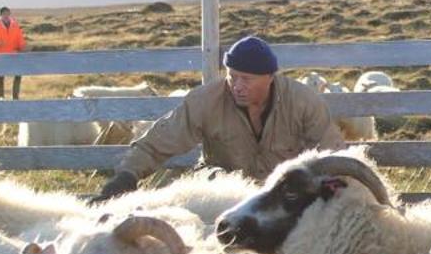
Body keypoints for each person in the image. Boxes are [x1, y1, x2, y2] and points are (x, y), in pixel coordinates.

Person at [89, 35, 343, 202]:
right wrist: (127, 175)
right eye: (232, 77)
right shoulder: (205, 100)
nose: (237, 86)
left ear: (269, 77)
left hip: (283, 192)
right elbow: (160, 140)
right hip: (222, 189)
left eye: (247, 79)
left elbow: (333, 153)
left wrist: (328, 189)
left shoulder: (304, 102)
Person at [0, 6, 27, 99]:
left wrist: (22, 47)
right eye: (4, 14)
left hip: (14, 54)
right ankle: (1, 98)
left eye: (8, 13)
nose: (6, 15)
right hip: (0, 55)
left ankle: (15, 97)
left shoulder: (15, 25)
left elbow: (19, 38)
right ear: (0, 15)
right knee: (0, 77)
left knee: (18, 74)